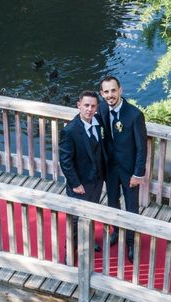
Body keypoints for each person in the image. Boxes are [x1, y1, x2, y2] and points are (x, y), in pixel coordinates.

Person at [97, 75, 147, 262]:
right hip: (110, 168)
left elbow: (142, 148)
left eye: (113, 90)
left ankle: (131, 240)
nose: (110, 95)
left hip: (129, 171)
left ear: (120, 90)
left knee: (132, 206)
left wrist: (137, 174)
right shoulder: (101, 109)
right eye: (106, 92)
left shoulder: (134, 115)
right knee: (112, 201)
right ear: (102, 94)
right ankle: (115, 230)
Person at [59, 90, 106, 254]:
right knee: (75, 219)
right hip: (80, 183)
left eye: (93, 106)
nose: (89, 109)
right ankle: (70, 251)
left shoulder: (98, 122)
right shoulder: (70, 131)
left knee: (92, 212)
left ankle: (88, 240)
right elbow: (65, 161)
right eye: (86, 105)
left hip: (96, 180)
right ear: (79, 105)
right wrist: (76, 184)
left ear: (97, 108)